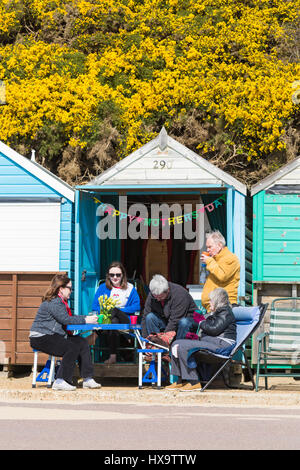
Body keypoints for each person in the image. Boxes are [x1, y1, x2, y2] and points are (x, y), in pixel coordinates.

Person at [29, 274, 100, 391]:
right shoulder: (55, 302)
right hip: (41, 337)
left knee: (82, 342)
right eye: (70, 288)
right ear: (61, 289)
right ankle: (60, 380)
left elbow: (68, 317)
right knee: (71, 347)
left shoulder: (61, 302)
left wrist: (87, 318)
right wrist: (86, 320)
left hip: (53, 335)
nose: (71, 291)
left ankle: (87, 378)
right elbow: (65, 320)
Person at [166, 287, 237, 391]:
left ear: (217, 301)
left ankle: (194, 382)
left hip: (222, 345)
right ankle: (179, 381)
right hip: (213, 342)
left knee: (184, 346)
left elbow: (214, 330)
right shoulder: (216, 313)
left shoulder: (225, 312)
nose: (209, 302)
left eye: (211, 300)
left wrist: (201, 321)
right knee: (176, 344)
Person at [91, 261, 140, 364]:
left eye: (118, 275)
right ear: (108, 276)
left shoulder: (130, 288)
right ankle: (113, 357)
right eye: (112, 275)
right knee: (114, 320)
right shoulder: (103, 288)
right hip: (110, 321)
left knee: (114, 311)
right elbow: (94, 306)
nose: (115, 277)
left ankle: (95, 335)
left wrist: (118, 310)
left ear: (123, 275)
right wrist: (107, 311)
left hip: (125, 319)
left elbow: (136, 307)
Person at [141, 274, 199, 340]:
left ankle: (177, 346)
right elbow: (145, 315)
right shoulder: (152, 295)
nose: (158, 299)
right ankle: (155, 343)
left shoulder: (180, 294)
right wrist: (145, 338)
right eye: (155, 297)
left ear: (168, 290)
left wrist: (164, 339)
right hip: (168, 320)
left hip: (189, 320)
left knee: (184, 322)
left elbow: (175, 321)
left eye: (160, 297)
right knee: (150, 317)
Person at [200, 230, 240, 312]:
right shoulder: (215, 259)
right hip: (212, 307)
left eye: (210, 247)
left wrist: (209, 261)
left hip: (224, 307)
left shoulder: (231, 258)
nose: (207, 250)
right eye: (207, 247)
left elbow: (222, 276)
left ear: (219, 245)